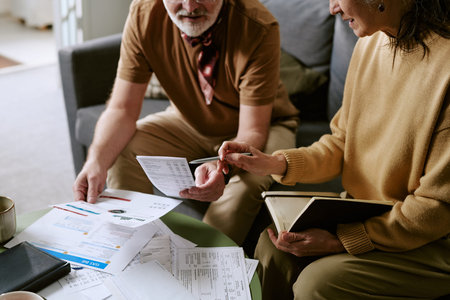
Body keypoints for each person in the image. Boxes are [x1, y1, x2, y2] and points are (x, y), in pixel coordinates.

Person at [218, 0, 450, 298]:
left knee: (319, 282)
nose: (332, 8)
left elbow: (437, 208)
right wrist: (274, 163)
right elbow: (342, 143)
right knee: (272, 247)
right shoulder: (370, 45)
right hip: (367, 212)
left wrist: (343, 240)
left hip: (431, 240)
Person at [72, 0, 299, 245]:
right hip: (189, 118)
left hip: (263, 125)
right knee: (122, 149)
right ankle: (135, 245)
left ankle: (201, 259)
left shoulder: (258, 26)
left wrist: (223, 167)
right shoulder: (144, 14)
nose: (190, 6)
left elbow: (252, 129)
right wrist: (96, 162)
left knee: (248, 182)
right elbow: (121, 109)